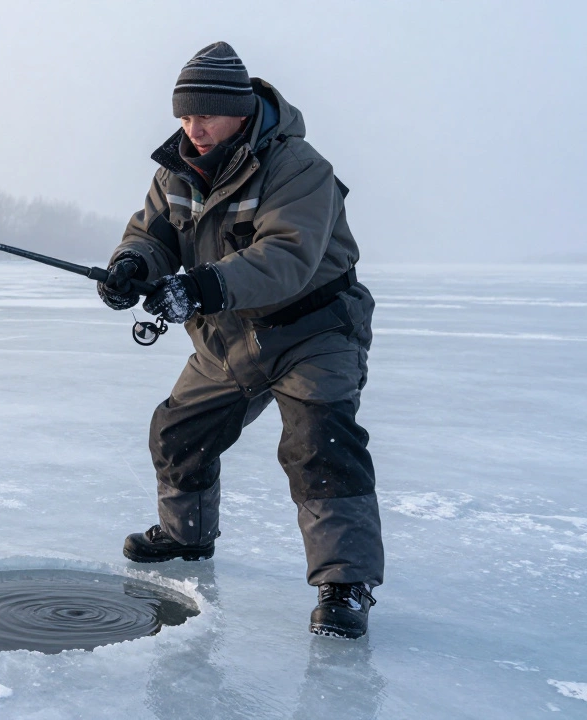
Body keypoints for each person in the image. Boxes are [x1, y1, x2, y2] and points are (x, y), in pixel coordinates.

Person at [99, 41, 383, 639]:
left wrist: (202, 287)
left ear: (241, 110)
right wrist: (131, 267)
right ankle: (185, 538)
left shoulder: (300, 168)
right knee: (178, 431)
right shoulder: (176, 171)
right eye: (183, 114)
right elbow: (150, 236)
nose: (192, 127)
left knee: (320, 447)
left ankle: (345, 584)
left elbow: (287, 256)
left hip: (316, 330)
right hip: (230, 337)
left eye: (204, 115)